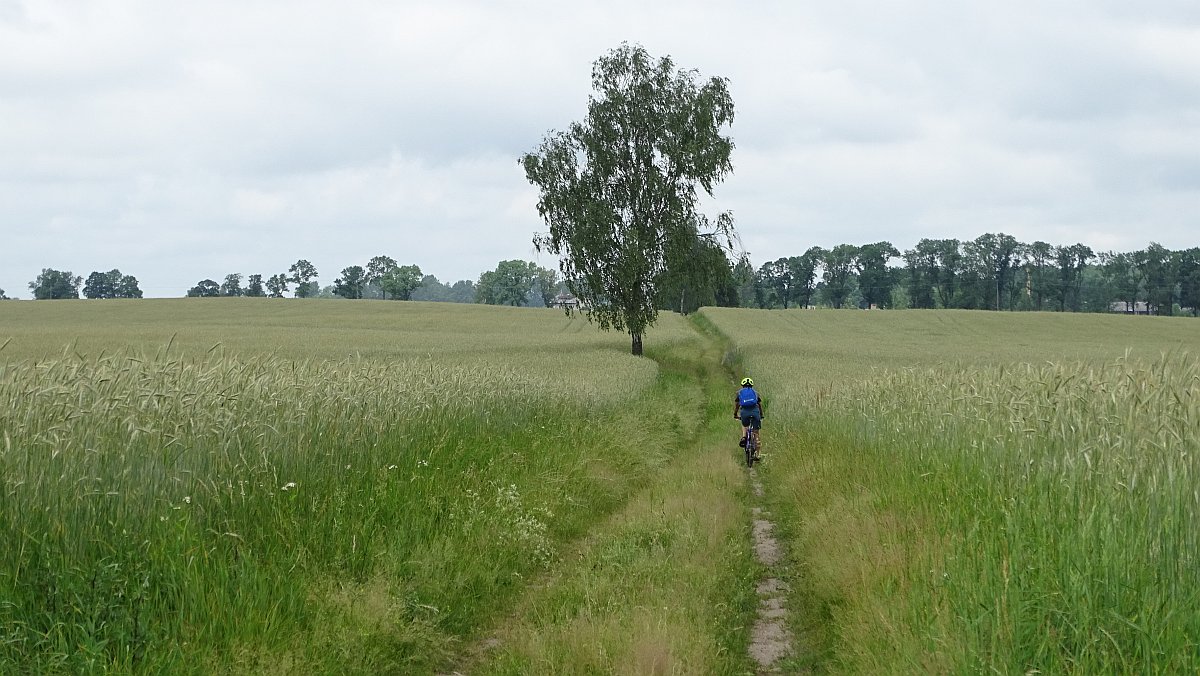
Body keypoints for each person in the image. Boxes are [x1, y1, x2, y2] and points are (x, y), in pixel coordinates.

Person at [733, 377, 765, 457]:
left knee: (744, 424)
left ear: (742, 385)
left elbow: (737, 405)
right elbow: (760, 405)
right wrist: (761, 415)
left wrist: (735, 414)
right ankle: (758, 455)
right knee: (756, 433)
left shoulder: (739, 393)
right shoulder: (755, 393)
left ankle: (744, 437)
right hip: (755, 413)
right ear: (752, 385)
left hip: (744, 413)